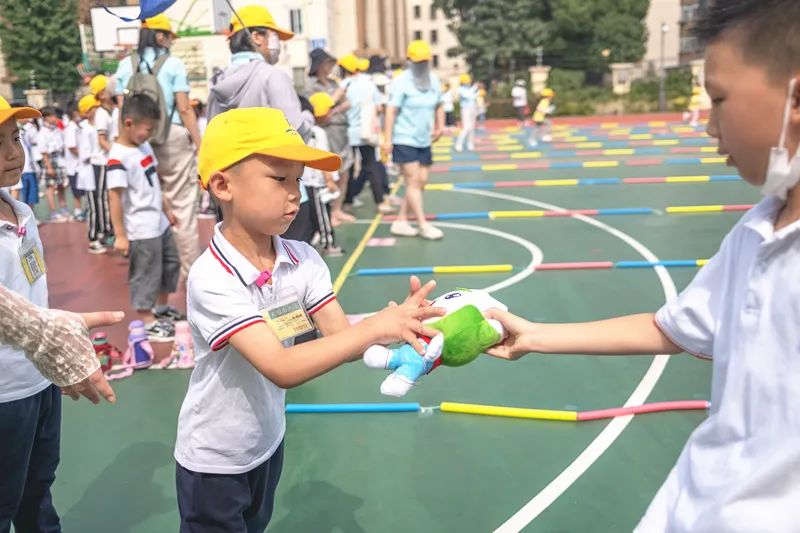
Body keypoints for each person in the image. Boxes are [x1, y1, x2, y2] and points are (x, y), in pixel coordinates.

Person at [484, 1, 800, 530]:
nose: (708, 126)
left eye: (719, 100)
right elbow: (673, 327)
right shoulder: (756, 228)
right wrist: (535, 335)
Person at [174, 106, 444, 531]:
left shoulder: (303, 259)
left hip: (266, 441)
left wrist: (398, 326)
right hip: (215, 458)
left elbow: (343, 338)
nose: (294, 193)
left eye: (298, 180)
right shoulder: (212, 277)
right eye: (279, 178)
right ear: (223, 185)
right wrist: (375, 327)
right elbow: (282, 367)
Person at [0, 96, 122, 533]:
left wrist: (53, 352)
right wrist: (52, 341)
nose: (14, 153)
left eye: (14, 138)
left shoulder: (20, 213)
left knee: (38, 490)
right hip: (4, 394)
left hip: (39, 380)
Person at [115, 14, 202, 283]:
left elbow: (122, 109)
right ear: (161, 36)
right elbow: (185, 108)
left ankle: (153, 275)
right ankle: (191, 275)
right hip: (172, 137)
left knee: (144, 204)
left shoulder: (124, 66)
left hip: (138, 141)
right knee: (183, 207)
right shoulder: (173, 63)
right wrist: (200, 144)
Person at [107, 94, 181, 342]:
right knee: (146, 273)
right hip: (140, 227)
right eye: (147, 129)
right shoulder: (118, 157)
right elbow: (114, 197)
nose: (149, 134)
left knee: (169, 265)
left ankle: (160, 309)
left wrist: (167, 209)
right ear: (128, 124)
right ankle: (146, 319)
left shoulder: (143, 146)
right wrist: (120, 235)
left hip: (158, 222)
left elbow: (154, 180)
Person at [383, 40, 445, 240]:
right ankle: (422, 224)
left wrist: (440, 126)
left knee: (421, 181)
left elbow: (439, 104)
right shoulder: (401, 82)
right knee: (413, 181)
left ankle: (401, 220)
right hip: (404, 138)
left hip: (423, 139)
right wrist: (387, 139)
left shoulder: (433, 80)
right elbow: (391, 111)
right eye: (418, 61)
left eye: (425, 61)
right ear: (410, 61)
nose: (422, 65)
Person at [304, 47, 355, 226]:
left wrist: (336, 107)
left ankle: (337, 209)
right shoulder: (311, 86)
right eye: (327, 64)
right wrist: (335, 100)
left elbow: (347, 102)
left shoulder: (333, 83)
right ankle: (329, 213)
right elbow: (319, 110)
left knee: (345, 172)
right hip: (326, 131)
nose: (330, 67)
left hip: (341, 129)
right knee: (330, 173)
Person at [339, 53, 395, 215]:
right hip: (366, 131)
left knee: (348, 169)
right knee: (371, 166)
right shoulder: (368, 84)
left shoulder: (343, 85)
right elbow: (379, 107)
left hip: (347, 131)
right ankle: (380, 202)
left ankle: (347, 202)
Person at [307, 92, 343, 256]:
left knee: (317, 212)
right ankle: (328, 243)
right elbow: (322, 157)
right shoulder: (317, 132)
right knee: (322, 213)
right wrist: (329, 179)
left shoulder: (309, 130)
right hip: (317, 181)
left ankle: (317, 237)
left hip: (311, 180)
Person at [88, 75, 114, 249]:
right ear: (102, 94)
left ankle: (107, 230)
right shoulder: (102, 114)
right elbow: (102, 140)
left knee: (108, 197)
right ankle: (103, 232)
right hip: (102, 162)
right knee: (102, 198)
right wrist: (118, 153)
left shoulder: (111, 111)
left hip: (108, 160)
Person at [39, 106, 69, 223]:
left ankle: (64, 209)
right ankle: (53, 212)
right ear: (46, 118)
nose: (54, 118)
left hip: (60, 158)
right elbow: (44, 152)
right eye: (52, 116)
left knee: (61, 186)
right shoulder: (43, 132)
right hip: (50, 159)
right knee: (51, 187)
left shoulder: (57, 129)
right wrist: (49, 166)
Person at [63, 101, 86, 221]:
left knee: (83, 189)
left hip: (80, 164)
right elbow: (72, 147)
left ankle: (83, 210)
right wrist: (85, 155)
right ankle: (77, 211)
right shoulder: (71, 128)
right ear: (75, 113)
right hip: (74, 165)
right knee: (77, 191)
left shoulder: (79, 126)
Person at [454, 73, 478, 152]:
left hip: (473, 108)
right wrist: (475, 89)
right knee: (466, 128)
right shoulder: (460, 89)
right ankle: (458, 144)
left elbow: (473, 97)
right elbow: (469, 96)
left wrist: (475, 89)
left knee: (472, 128)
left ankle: (470, 143)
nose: (468, 82)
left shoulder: (470, 88)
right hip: (465, 109)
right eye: (467, 81)